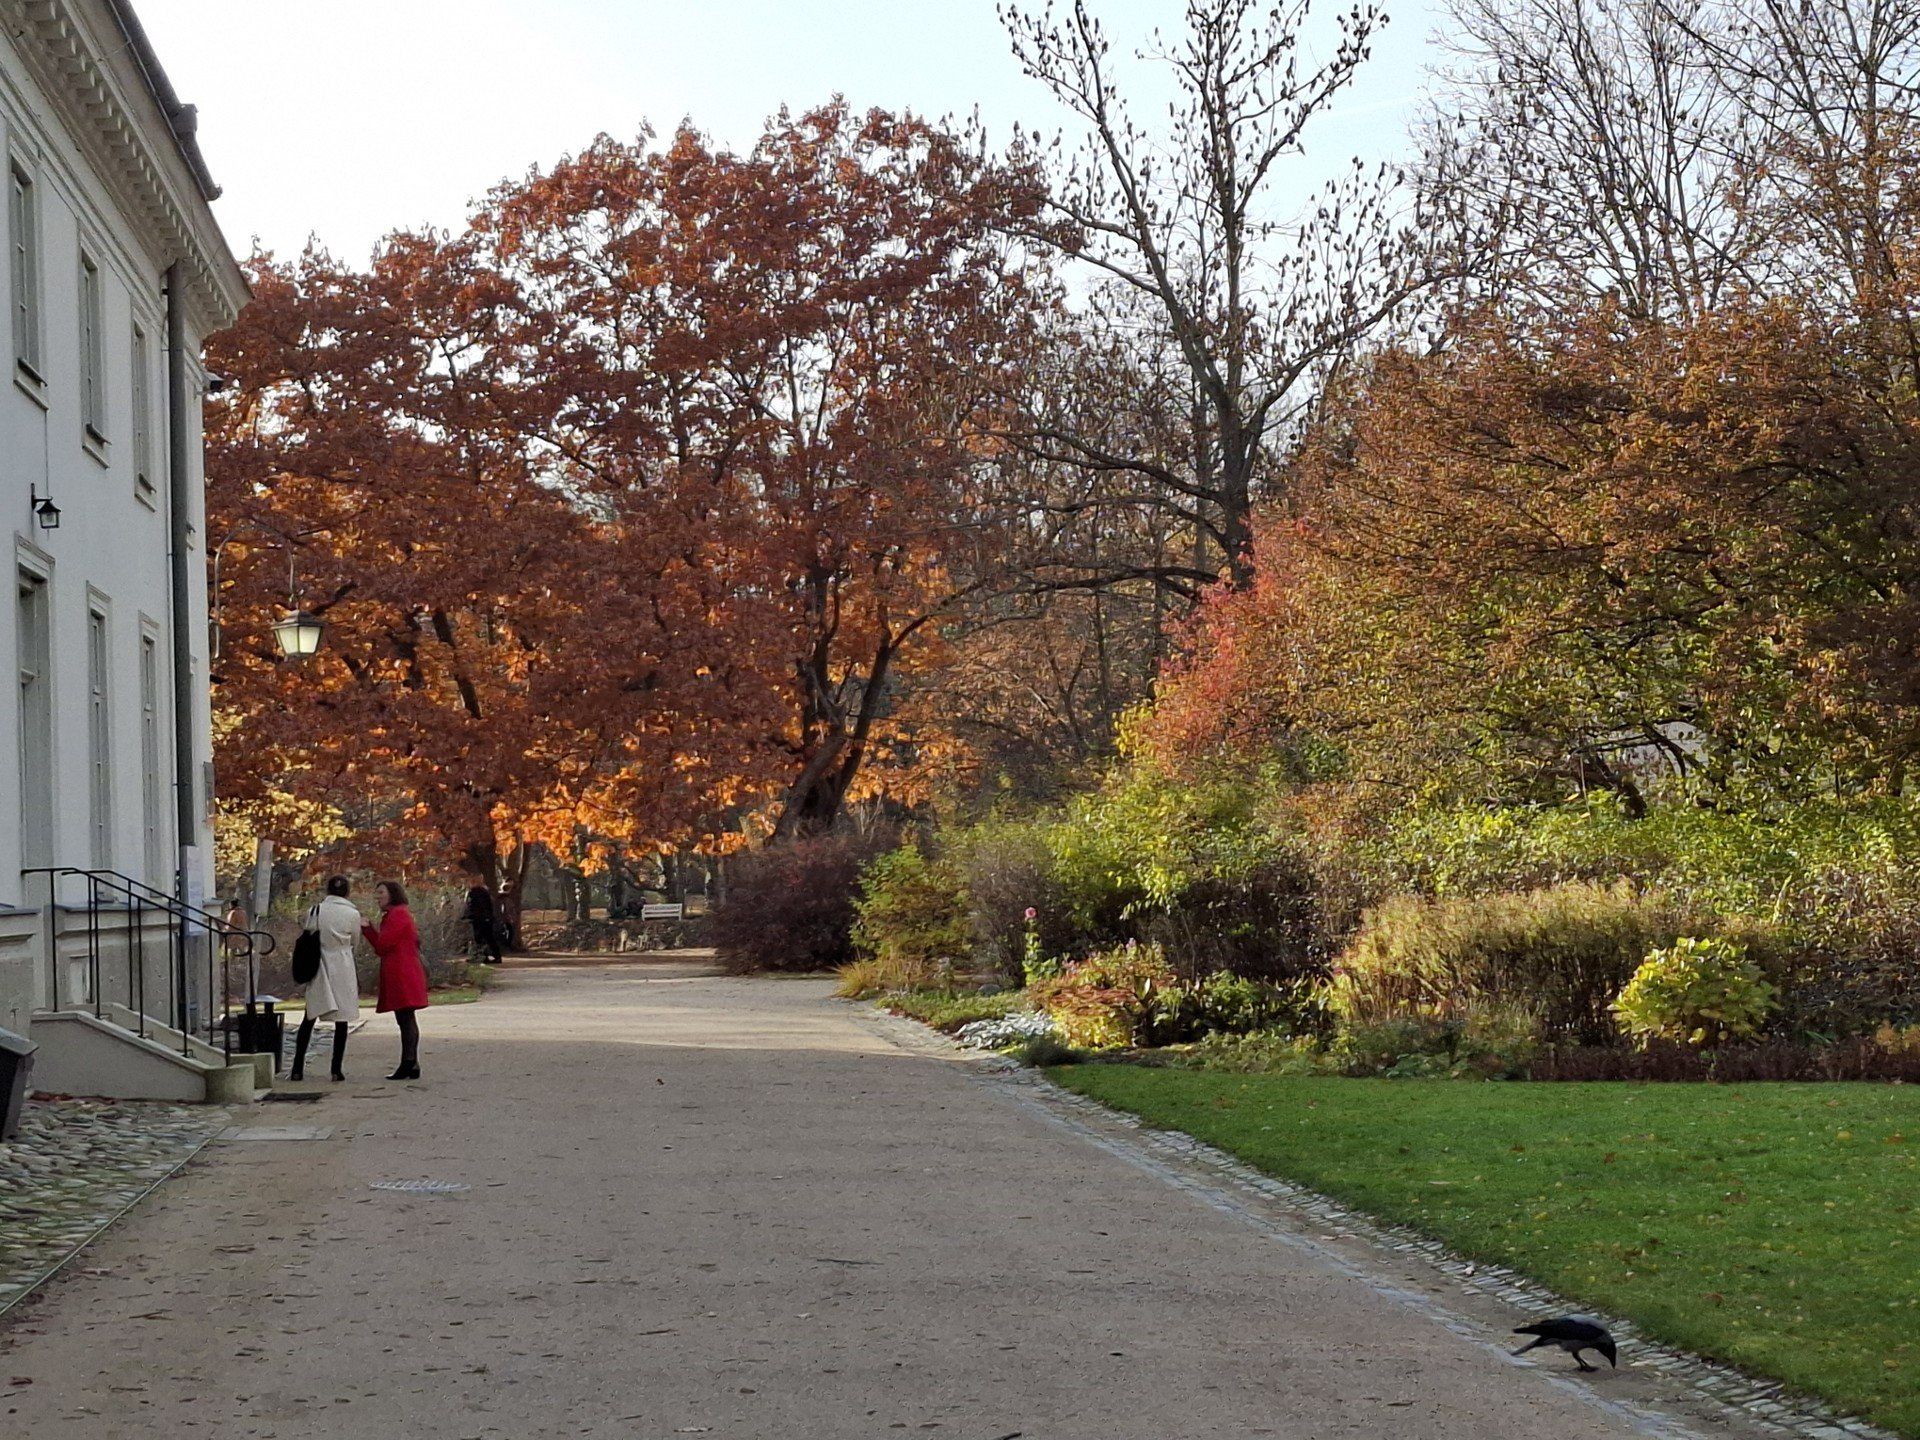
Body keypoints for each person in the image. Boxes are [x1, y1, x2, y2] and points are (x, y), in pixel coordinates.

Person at [292, 876, 361, 1082]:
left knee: (310, 1017)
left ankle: (297, 1067)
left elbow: (308, 935)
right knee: (342, 1019)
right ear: (347, 891)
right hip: (342, 964)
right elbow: (355, 942)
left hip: (319, 964)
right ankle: (336, 1069)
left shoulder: (315, 911)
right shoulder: (352, 914)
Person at [363, 880, 428, 1080]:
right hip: (403, 970)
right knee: (405, 1018)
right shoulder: (398, 914)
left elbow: (383, 946)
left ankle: (409, 1062)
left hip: (402, 971)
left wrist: (367, 929)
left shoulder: (398, 915)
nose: (378, 897)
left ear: (392, 894)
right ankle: (410, 1062)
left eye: (381, 892)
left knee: (406, 1017)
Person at [463, 877, 504, 966]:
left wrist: (468, 916)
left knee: (479, 938)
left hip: (479, 919)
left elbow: (472, 906)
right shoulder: (485, 892)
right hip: (485, 918)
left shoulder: (474, 892)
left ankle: (482, 956)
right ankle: (492, 956)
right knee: (488, 938)